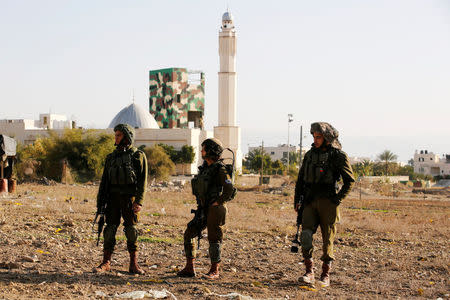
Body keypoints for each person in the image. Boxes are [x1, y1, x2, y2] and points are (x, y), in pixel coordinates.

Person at [294, 122, 355, 287]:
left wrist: (338, 199)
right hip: (309, 200)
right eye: (314, 136)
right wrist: (297, 200)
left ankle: (325, 275)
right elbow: (300, 179)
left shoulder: (338, 156)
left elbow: (350, 180)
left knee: (328, 240)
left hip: (329, 202)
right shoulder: (309, 155)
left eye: (318, 136)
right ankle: (309, 272)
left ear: (327, 137)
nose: (315, 139)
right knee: (305, 236)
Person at [177, 138, 236, 279]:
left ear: (211, 150)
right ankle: (189, 268)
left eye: (204, 148)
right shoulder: (205, 169)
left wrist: (219, 201)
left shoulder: (220, 169)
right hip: (203, 208)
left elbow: (231, 189)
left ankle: (215, 270)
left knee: (214, 238)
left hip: (216, 209)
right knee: (189, 233)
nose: (201, 151)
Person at [93, 123, 148, 275]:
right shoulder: (111, 158)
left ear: (127, 137)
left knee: (131, 230)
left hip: (129, 200)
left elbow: (143, 181)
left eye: (119, 135)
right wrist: (100, 203)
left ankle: (133, 264)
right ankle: (106, 262)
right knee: (109, 229)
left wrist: (139, 201)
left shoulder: (138, 156)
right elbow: (104, 182)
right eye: (115, 135)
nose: (116, 138)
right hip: (112, 200)